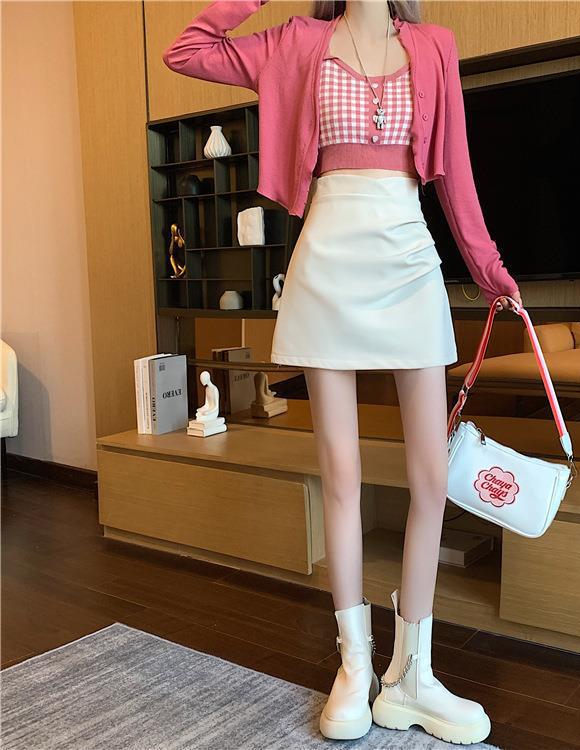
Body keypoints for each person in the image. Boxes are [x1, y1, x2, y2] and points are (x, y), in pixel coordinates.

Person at [163, 0, 521, 743]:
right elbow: (187, 50)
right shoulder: (297, 41)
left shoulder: (434, 45)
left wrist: (489, 268)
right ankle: (355, 666)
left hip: (410, 260)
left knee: (431, 476)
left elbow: (456, 174)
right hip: (327, 262)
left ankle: (412, 675)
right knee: (342, 477)